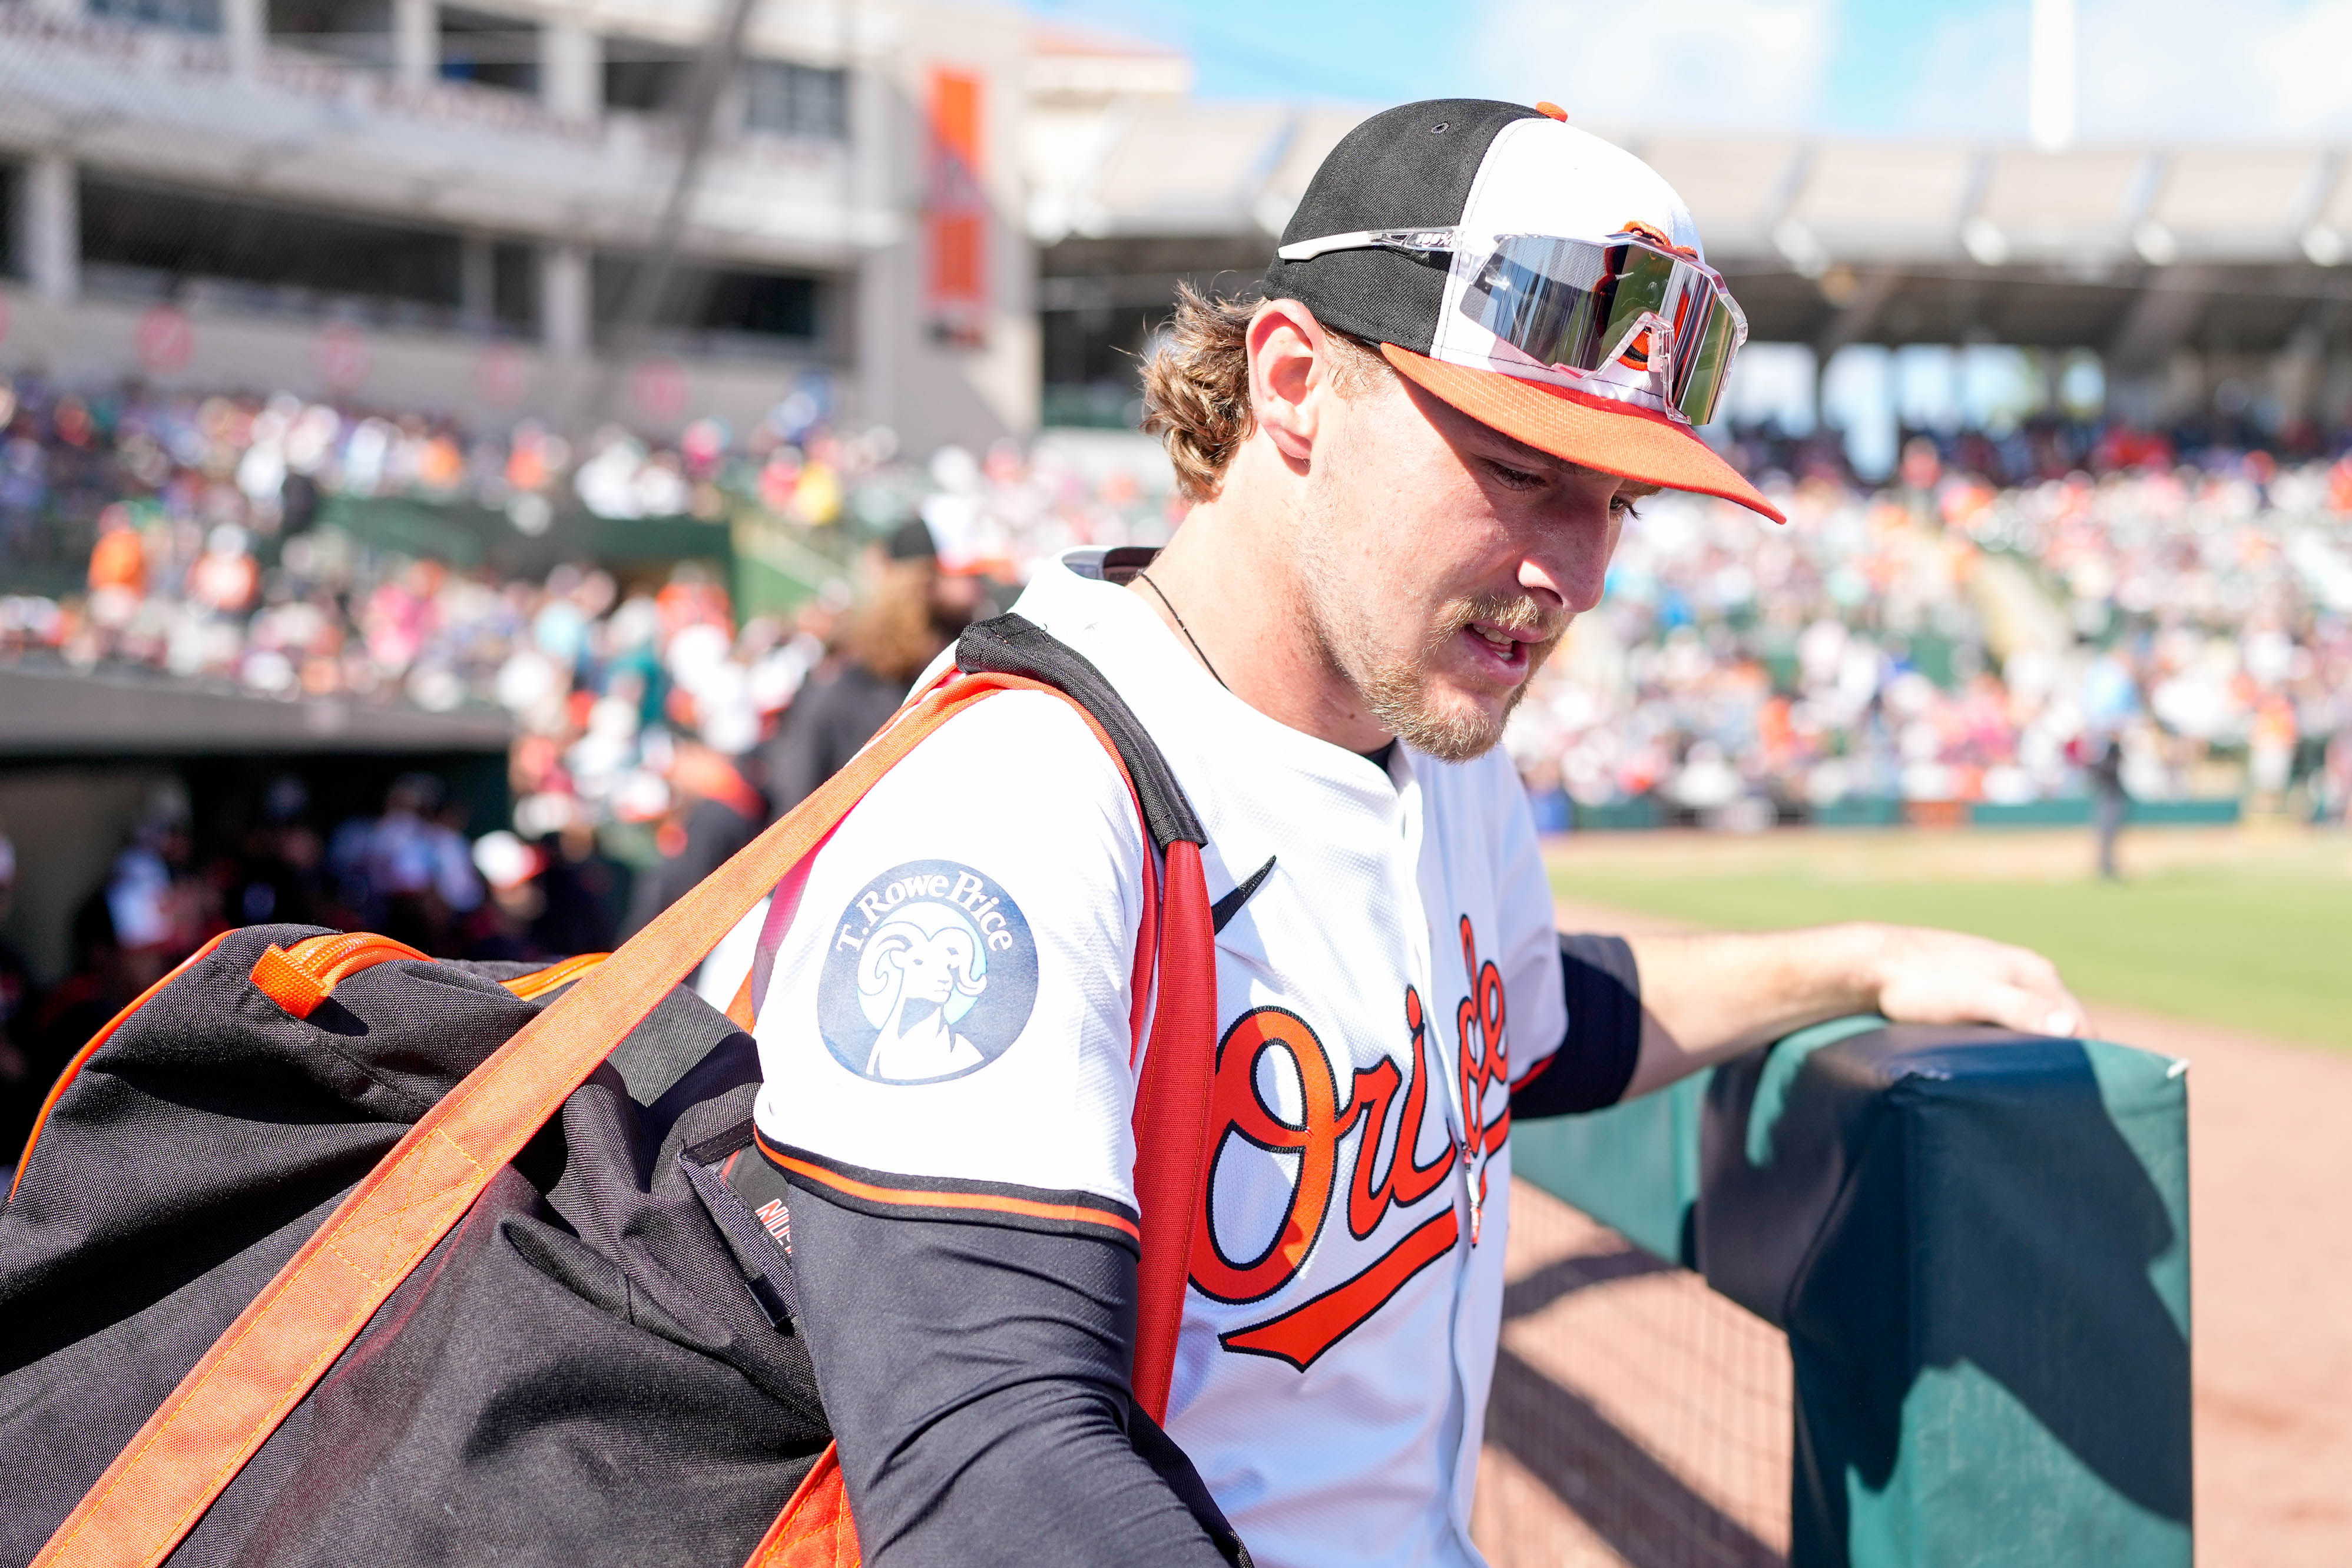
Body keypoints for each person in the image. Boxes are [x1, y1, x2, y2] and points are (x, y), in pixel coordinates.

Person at [740, 101, 2083, 1568]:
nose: (1570, 570)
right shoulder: (1020, 798)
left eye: (1616, 501)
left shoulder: (1432, 740)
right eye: (1518, 469)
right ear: (1296, 383)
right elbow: (989, 1472)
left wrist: (1856, 958)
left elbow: (1529, 1023)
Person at [760, 520, 970, 817]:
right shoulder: (845, 691)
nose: (974, 586)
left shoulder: (971, 656)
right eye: (958, 575)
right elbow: (797, 806)